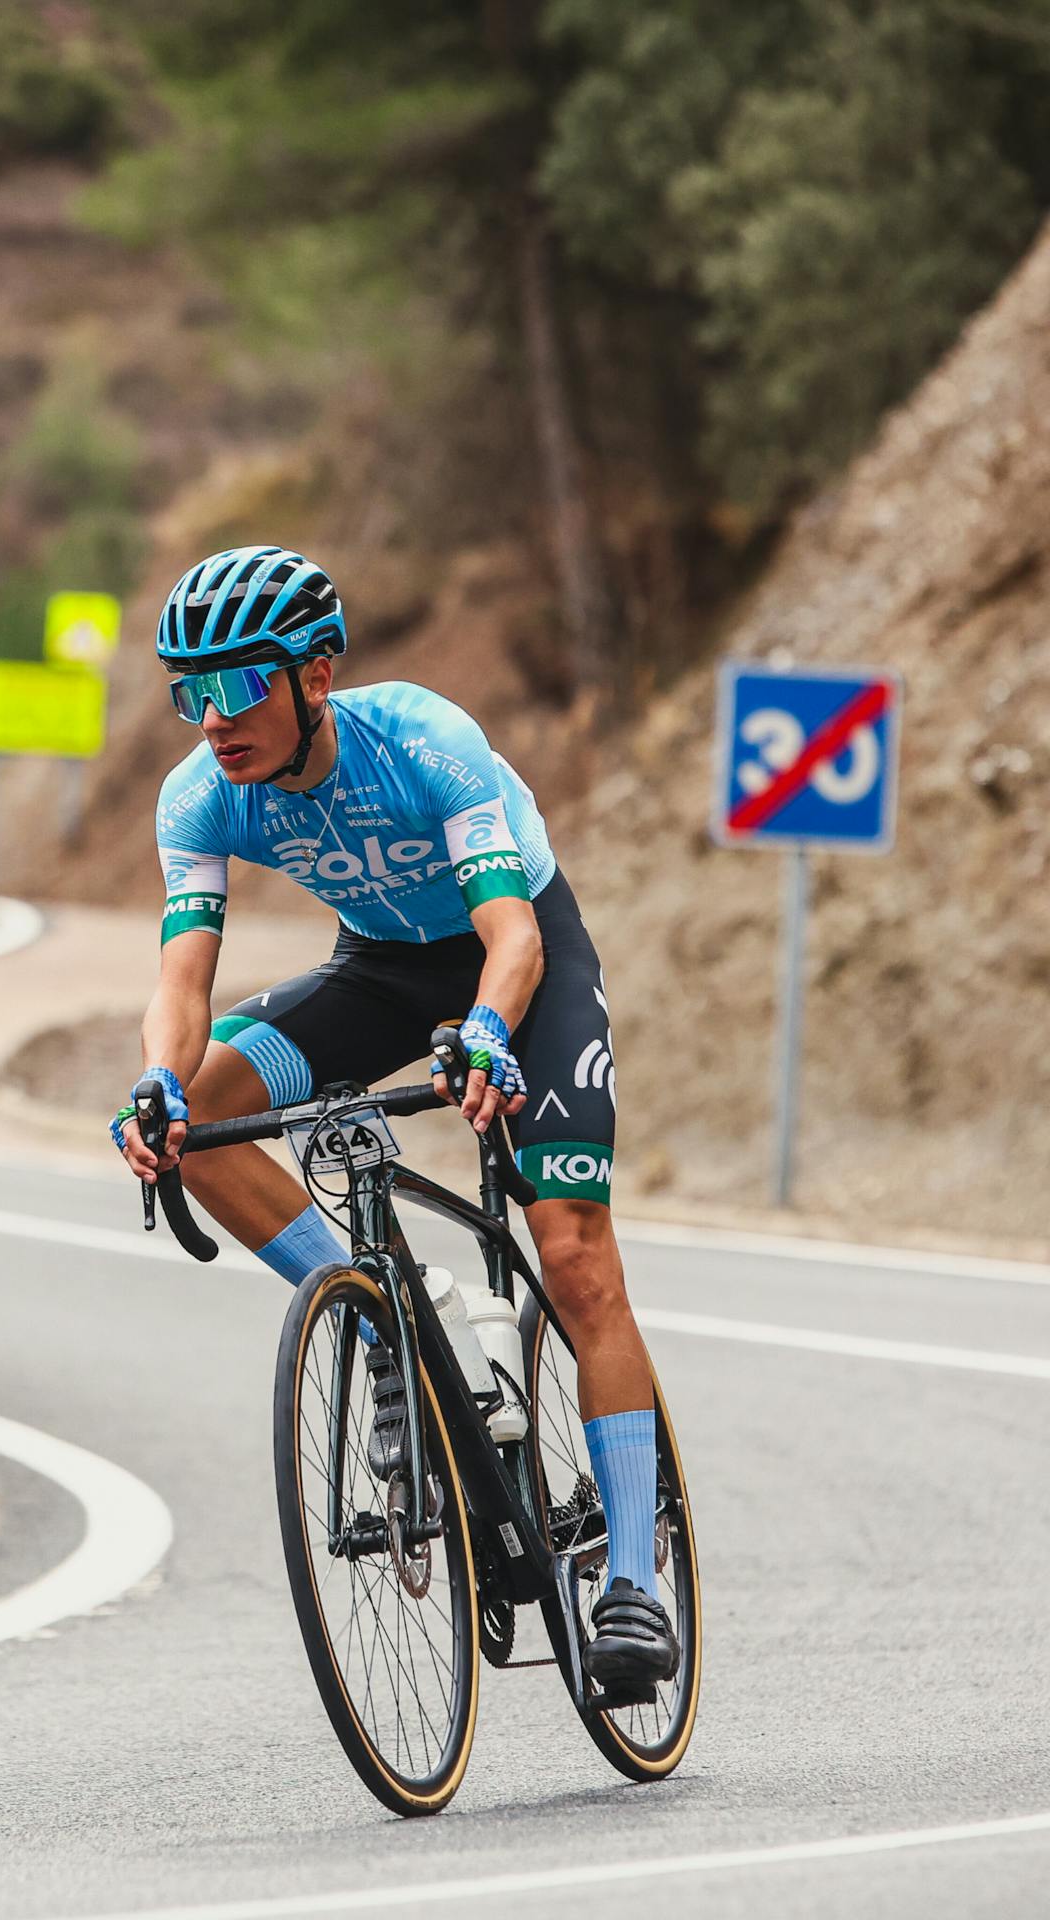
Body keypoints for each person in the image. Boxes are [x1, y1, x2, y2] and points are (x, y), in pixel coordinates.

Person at [110, 544, 675, 1690]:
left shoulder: (421, 738)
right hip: (379, 970)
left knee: (575, 1258)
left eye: (238, 686)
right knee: (200, 1119)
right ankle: (383, 1323)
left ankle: (633, 1579)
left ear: (315, 675)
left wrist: (488, 1031)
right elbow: (182, 979)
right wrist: (158, 1085)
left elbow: (513, 935)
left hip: (521, 965)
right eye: (189, 692)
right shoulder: (200, 795)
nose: (213, 719)